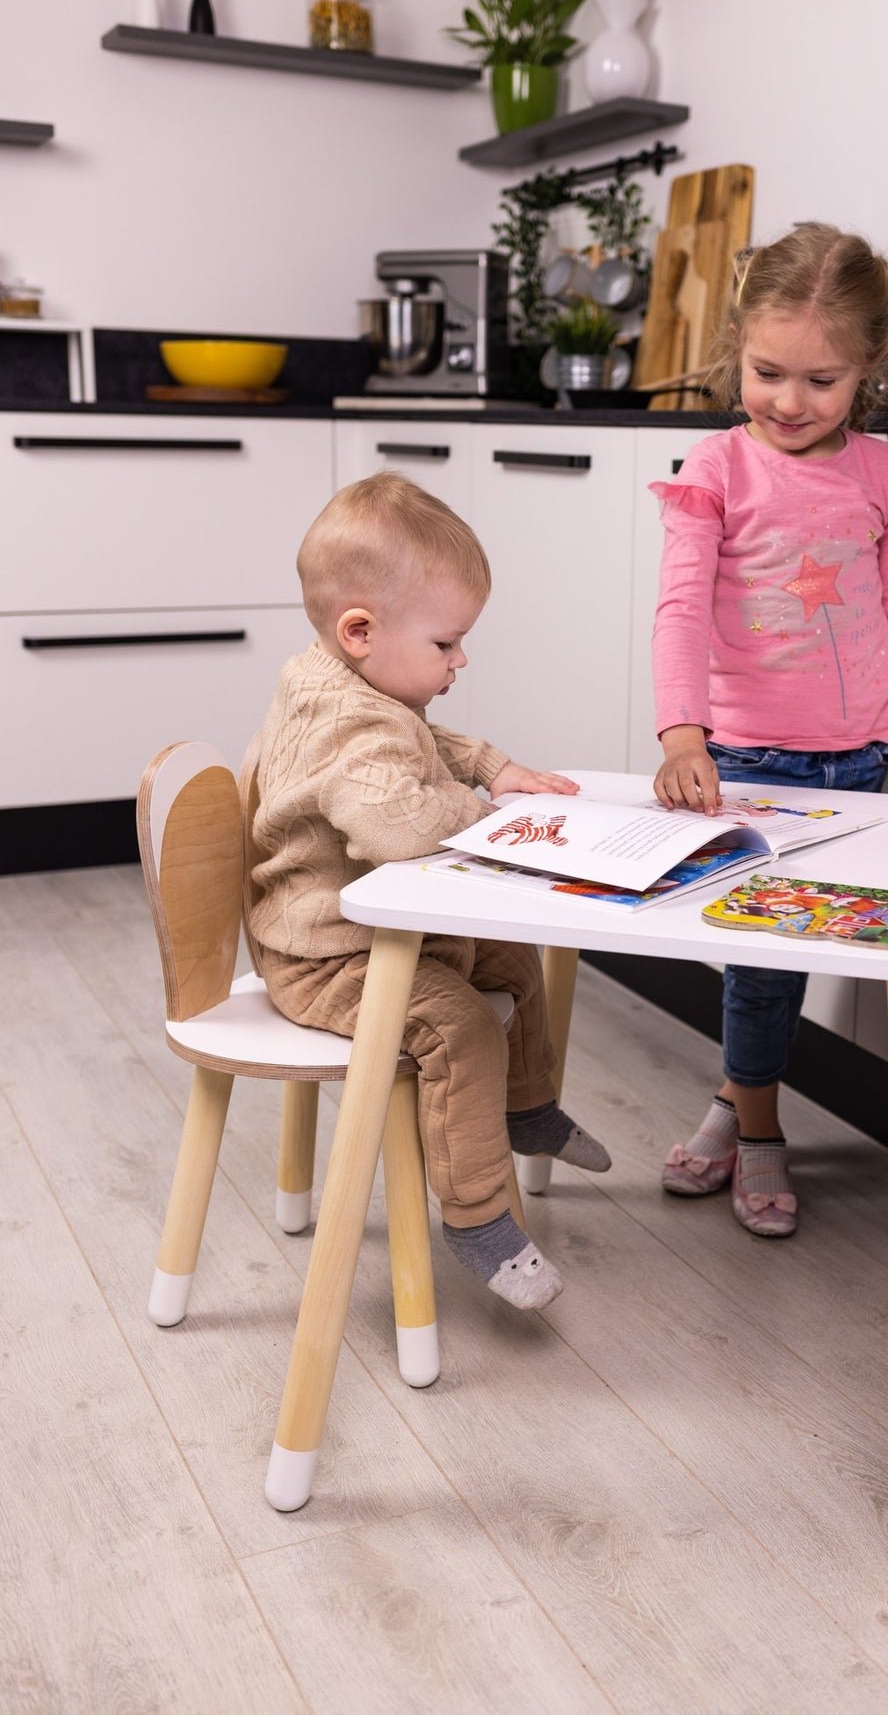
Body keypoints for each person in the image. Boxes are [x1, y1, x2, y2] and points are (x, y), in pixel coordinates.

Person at [249, 470, 611, 1310]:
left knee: (515, 963)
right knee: (458, 1029)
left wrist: (493, 766)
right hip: (323, 955)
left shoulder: (347, 682)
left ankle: (529, 1110)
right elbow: (397, 821)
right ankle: (478, 1216)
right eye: (446, 644)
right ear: (362, 631)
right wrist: (480, 807)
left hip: (360, 930)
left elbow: (418, 736)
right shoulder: (348, 721)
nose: (461, 659)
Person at [649, 222, 888, 1238]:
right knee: (766, 954)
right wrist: (684, 735)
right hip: (747, 758)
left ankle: (734, 1105)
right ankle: (764, 1129)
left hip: (857, 757)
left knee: (790, 949)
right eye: (768, 372)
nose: (789, 400)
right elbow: (680, 607)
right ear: (736, 347)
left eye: (822, 380)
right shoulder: (719, 464)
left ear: (868, 369)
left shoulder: (884, 477)